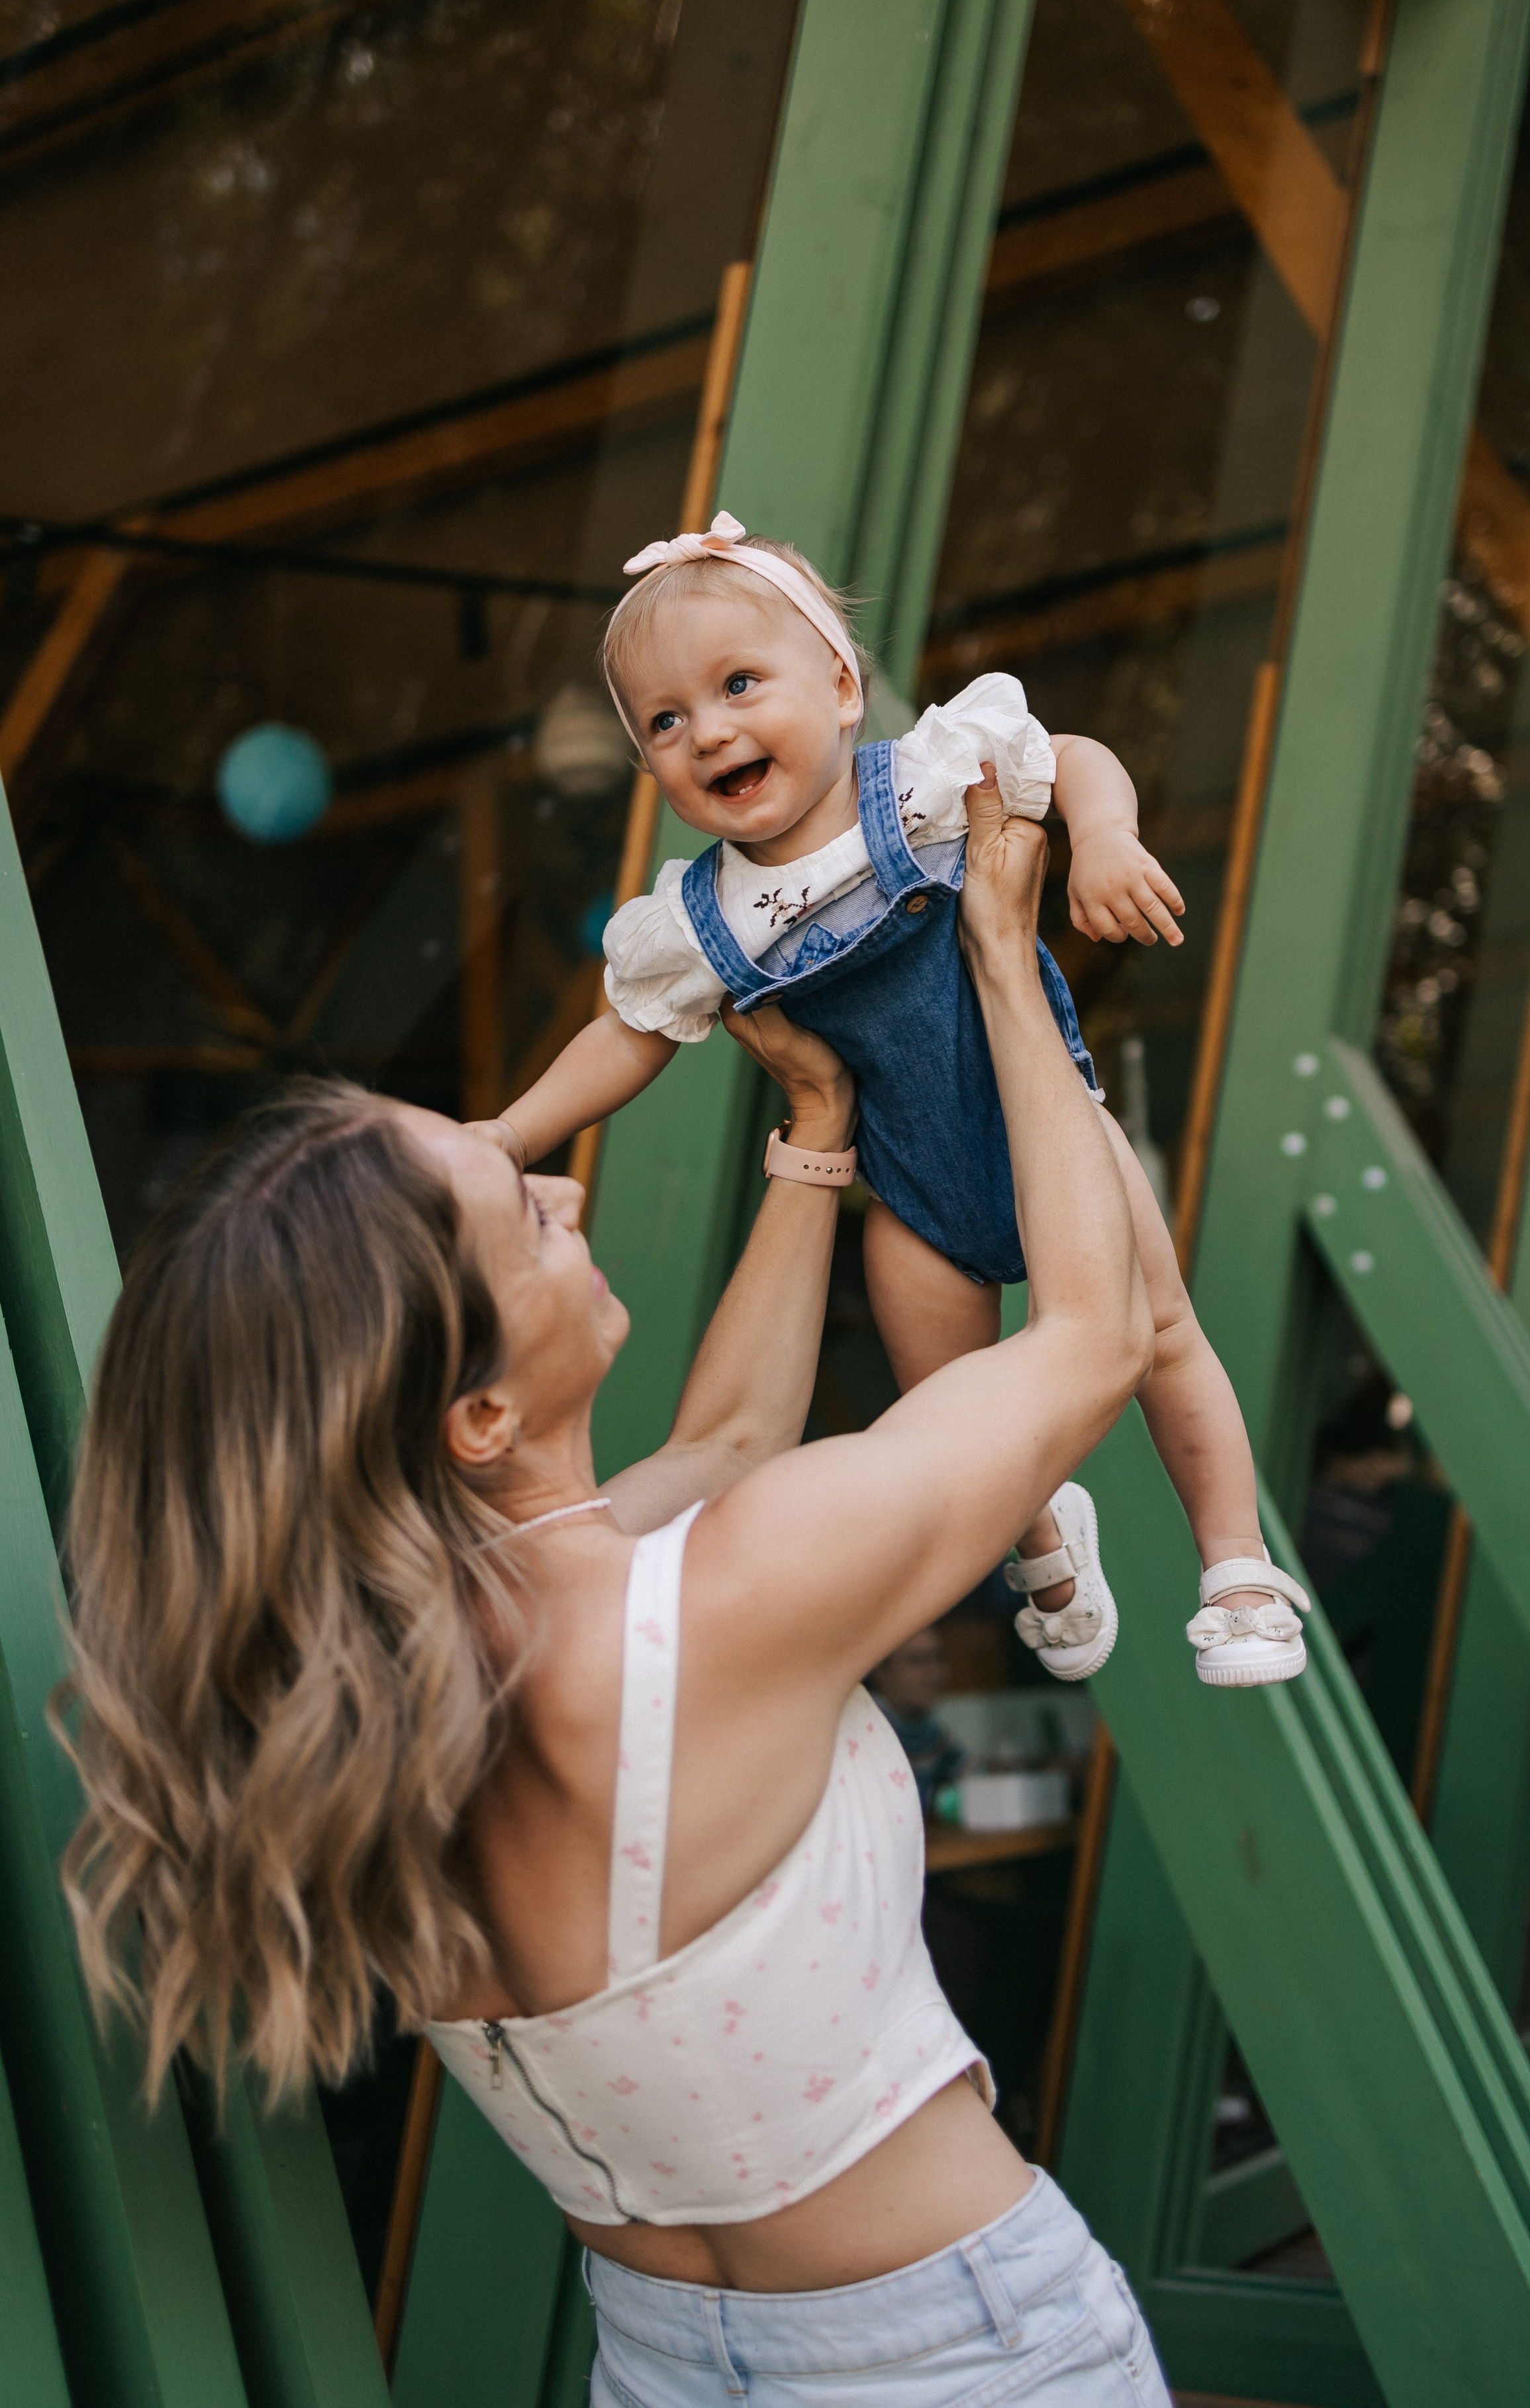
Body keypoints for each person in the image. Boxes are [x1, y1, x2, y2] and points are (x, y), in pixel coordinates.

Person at [60, 778, 1173, 2402]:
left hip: (660, 2358)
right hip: (955, 2351)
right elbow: (1093, 1333)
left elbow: (726, 1434)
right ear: (479, 1415)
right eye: (523, 1210)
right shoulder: (719, 1602)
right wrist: (1000, 952)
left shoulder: (382, 1680)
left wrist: (816, 1140)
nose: (570, 1191)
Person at [471, 512, 1310, 1690]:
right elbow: (627, 1035)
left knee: (1161, 1333)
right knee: (950, 1402)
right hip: (910, 1186)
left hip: (1048, 1128)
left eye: (739, 684)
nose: (708, 730)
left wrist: (1104, 835)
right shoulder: (705, 920)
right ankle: (1042, 1535)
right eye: (666, 721)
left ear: (843, 686)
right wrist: (511, 1131)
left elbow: (1067, 755)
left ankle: (1239, 1568)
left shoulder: (916, 784)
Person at [866, 1628, 965, 1815]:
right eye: (916, 1660)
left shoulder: (932, 1732)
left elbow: (967, 1778)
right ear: (880, 1670)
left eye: (938, 1658)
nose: (932, 1671)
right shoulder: (866, 1731)